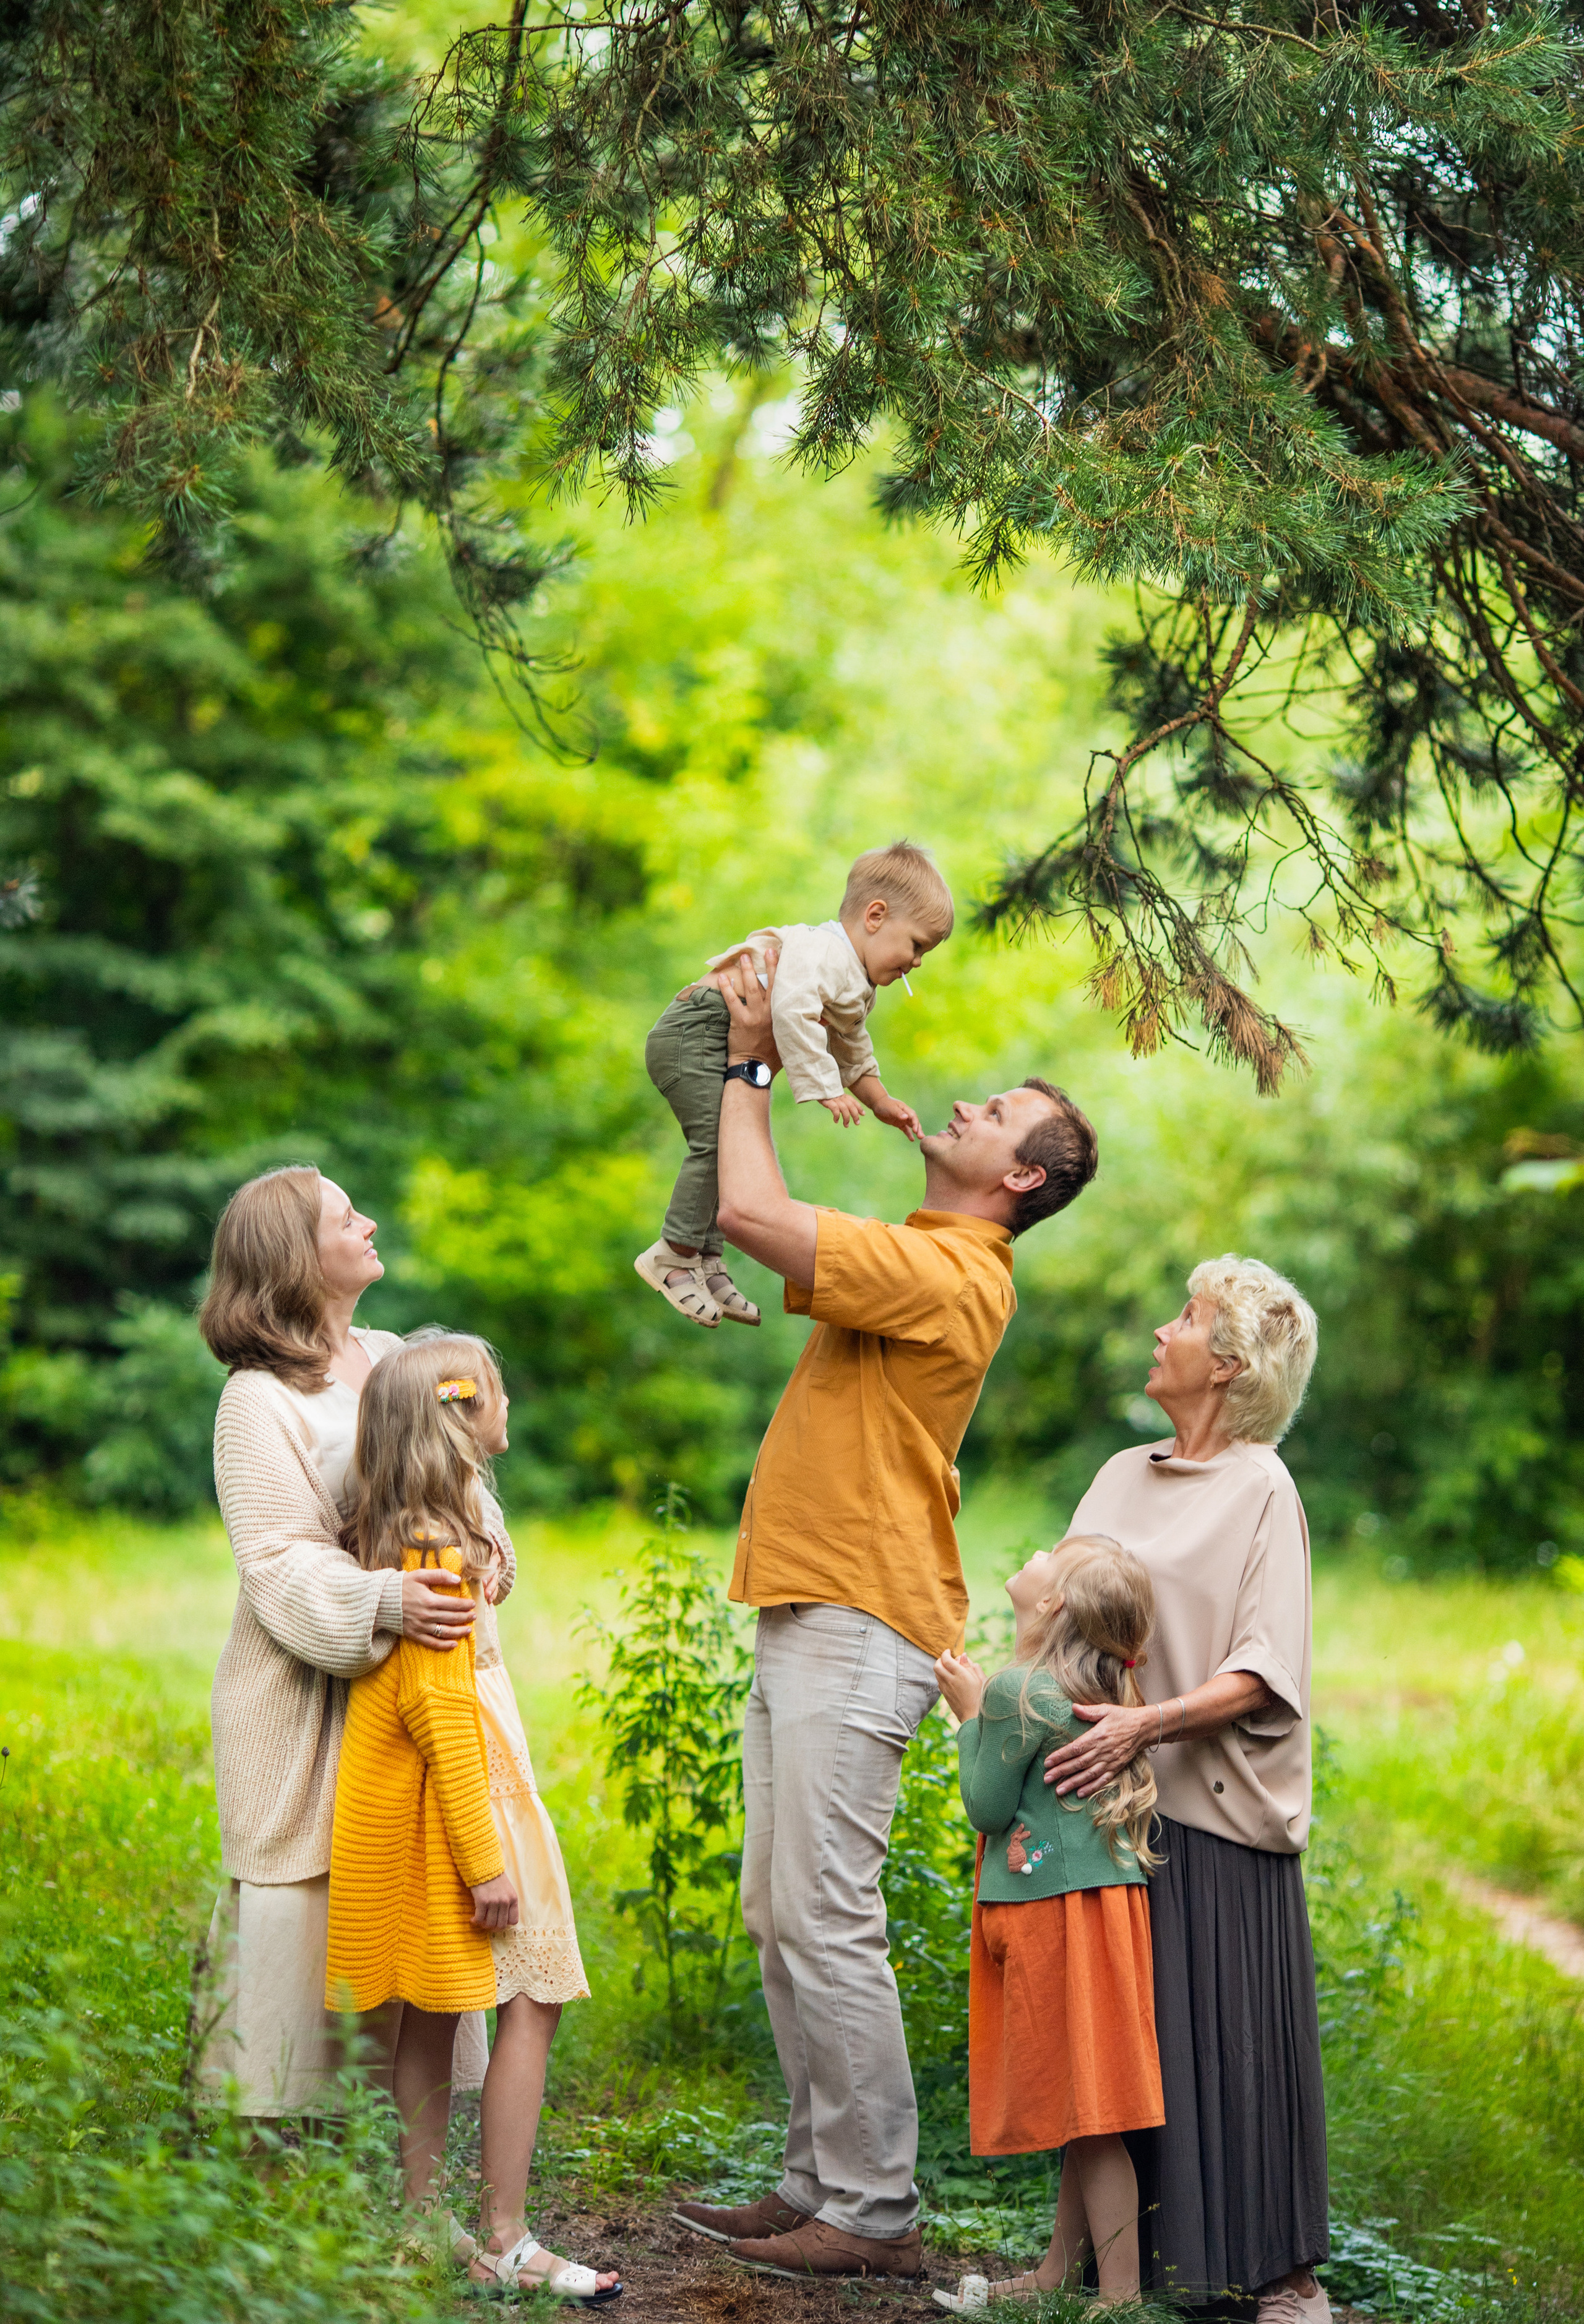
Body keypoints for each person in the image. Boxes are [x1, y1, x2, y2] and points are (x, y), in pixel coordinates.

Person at [672, 953, 1100, 2281]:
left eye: (988, 1116)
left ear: (1018, 1179)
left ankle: (869, 2210)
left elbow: (747, 1210)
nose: (958, 1111)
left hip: (865, 1619)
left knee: (824, 1910)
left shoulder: (957, 1275)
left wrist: (750, 1055)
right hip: (818, 1606)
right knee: (777, 1906)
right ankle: (814, 2180)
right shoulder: (919, 1250)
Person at [1044, 1255, 1329, 2324]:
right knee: (1106, 2049)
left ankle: (1278, 2276)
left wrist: (1146, 1725)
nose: (1163, 1330)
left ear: (1231, 1362)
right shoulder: (1122, 1472)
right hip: (1099, 1810)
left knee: (1231, 2058)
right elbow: (1052, 1609)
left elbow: (1265, 1670)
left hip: (1211, 1818)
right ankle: (1080, 2267)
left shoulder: (1264, 1486)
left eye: (1188, 1317)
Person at [197, 1165, 489, 2126]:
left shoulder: (397, 1353)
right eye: (342, 1216)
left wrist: (480, 1560)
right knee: (309, 1908)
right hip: (308, 1698)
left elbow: (464, 1483)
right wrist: (386, 1601)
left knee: (421, 1892)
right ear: (294, 1256)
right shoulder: (256, 1402)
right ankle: (289, 2184)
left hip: (421, 1689)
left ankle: (400, 2187)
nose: (368, 1221)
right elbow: (276, 1561)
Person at [329, 1332, 618, 2303]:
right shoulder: (437, 1550)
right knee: (530, 2000)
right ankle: (505, 2235)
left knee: (433, 2004)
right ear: (460, 1419)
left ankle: (417, 2223)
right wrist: (487, 1857)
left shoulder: (410, 1526)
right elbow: (439, 1712)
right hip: (472, 1792)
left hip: (444, 1792)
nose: (509, 1409)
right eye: (495, 1395)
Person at [931, 1534, 1165, 2313]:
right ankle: (1058, 2275)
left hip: (1052, 1915)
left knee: (1093, 2116)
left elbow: (988, 1808)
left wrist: (968, 1715)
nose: (1032, 1549)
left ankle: (1120, 2297)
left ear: (1050, 1603)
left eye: (1050, 1553)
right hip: (1105, 1912)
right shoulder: (1086, 1695)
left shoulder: (1015, 1693)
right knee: (1086, 2101)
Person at [635, 839, 952, 1328]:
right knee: (716, 1145)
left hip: (716, 1043)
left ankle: (706, 1260)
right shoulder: (822, 952)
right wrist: (825, 1088)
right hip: (693, 1034)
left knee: (730, 1146)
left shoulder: (855, 980)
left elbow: (851, 1045)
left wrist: (879, 1098)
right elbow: (791, 1012)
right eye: (917, 945)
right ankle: (672, 1255)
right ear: (875, 916)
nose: (917, 963)